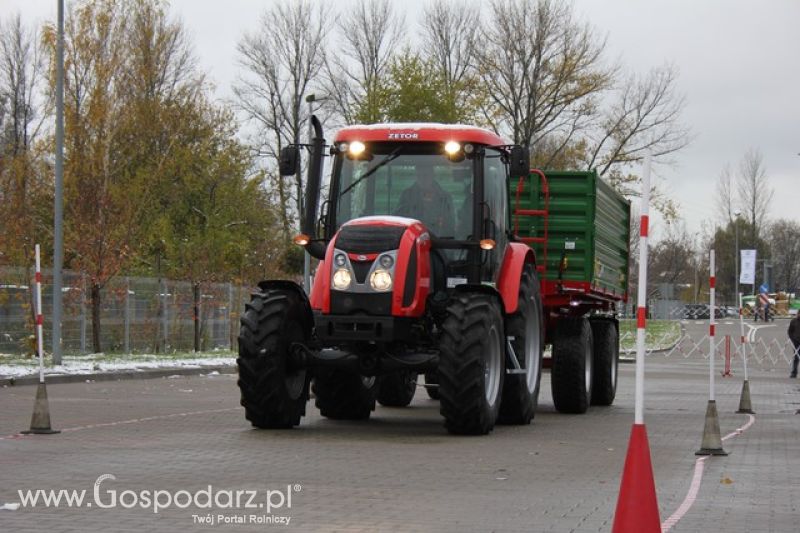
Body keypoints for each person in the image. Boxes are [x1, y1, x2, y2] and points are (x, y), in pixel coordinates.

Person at [395, 161, 455, 237]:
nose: (422, 179)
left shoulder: (445, 197)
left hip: (439, 243)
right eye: (419, 176)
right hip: (412, 241)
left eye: (426, 175)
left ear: (433, 175)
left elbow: (450, 225)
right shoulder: (407, 196)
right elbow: (399, 219)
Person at [789, 314, 800, 378]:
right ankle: (794, 373)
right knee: (796, 358)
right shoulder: (794, 321)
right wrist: (793, 339)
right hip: (796, 342)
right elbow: (790, 331)